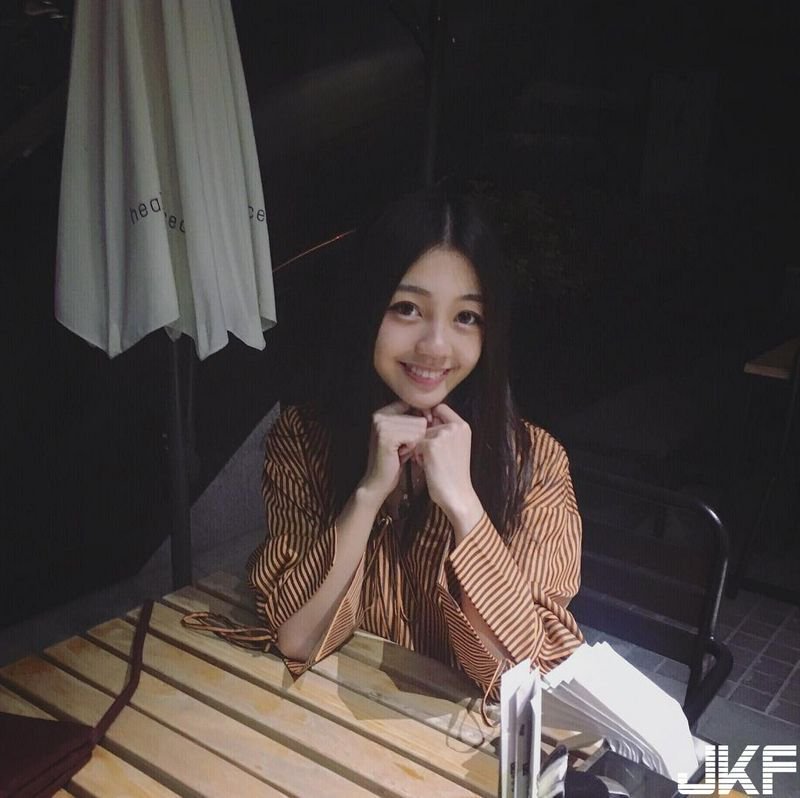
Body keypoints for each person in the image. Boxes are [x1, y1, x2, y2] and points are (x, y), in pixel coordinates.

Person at [246, 189, 583, 699]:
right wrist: (368, 494)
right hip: (327, 721)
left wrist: (464, 507)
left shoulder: (534, 463)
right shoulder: (304, 438)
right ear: (367, 309)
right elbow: (296, 638)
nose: (436, 346)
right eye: (407, 309)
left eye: (466, 317)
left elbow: (525, 674)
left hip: (461, 738)